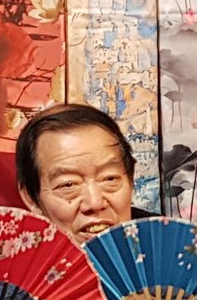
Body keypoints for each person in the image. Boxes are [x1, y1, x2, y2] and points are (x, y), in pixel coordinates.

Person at [13, 103, 151, 242]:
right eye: (68, 184)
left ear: (131, 179)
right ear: (31, 198)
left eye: (109, 179)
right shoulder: (16, 260)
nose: (95, 202)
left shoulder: (169, 248)